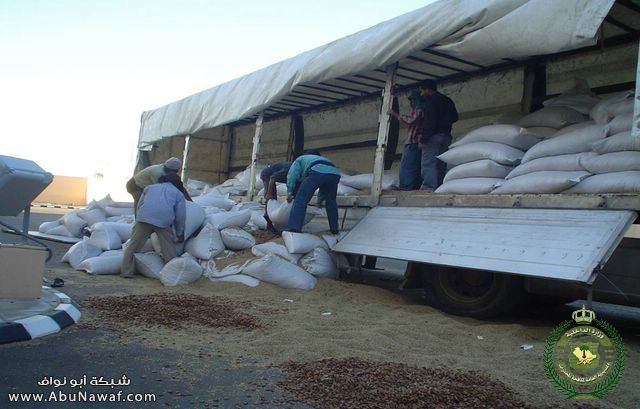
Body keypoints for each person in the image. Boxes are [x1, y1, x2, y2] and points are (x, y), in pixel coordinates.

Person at [120, 173, 186, 278]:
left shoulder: (149, 188)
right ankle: (172, 273)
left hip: (143, 218)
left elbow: (140, 204)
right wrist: (180, 232)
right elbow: (180, 216)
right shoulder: (178, 194)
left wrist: (139, 219)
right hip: (163, 221)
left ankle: (126, 272)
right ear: (177, 183)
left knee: (133, 245)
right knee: (168, 249)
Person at [286, 151, 341, 234]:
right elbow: (323, 188)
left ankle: (295, 229)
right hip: (334, 174)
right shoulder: (320, 159)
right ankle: (334, 229)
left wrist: (289, 191)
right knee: (331, 202)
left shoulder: (299, 159)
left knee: (301, 199)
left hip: (316, 170)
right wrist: (318, 202)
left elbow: (292, 175)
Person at [418, 79, 458, 191]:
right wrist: (445, 122)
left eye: (422, 91)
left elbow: (430, 121)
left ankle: (429, 187)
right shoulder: (447, 100)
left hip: (433, 136)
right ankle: (441, 187)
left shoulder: (429, 101)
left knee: (428, 162)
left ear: (427, 90)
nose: (421, 94)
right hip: (446, 135)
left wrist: (424, 139)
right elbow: (455, 117)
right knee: (442, 163)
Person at [389, 90, 425, 190]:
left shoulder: (419, 110)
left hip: (414, 143)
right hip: (415, 143)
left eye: (412, 100)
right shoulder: (420, 109)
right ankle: (412, 186)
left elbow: (410, 120)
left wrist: (395, 114)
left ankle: (406, 187)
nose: (411, 103)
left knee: (407, 167)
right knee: (413, 167)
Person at [126, 157, 191, 211]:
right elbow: (159, 191)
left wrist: (190, 201)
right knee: (141, 204)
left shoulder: (166, 170)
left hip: (142, 185)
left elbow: (179, 186)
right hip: (134, 185)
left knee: (145, 204)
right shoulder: (157, 173)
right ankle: (138, 223)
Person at [260, 162, 291, 233]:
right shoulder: (289, 169)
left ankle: (269, 222)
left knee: (272, 198)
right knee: (271, 199)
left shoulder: (295, 171)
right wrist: (269, 194)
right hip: (267, 175)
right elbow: (272, 178)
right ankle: (269, 224)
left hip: (271, 176)